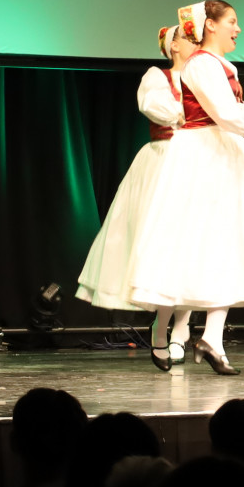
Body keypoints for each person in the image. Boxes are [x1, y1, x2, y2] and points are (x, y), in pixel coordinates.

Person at [126, 0, 244, 375]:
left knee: (228, 243)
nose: (238, 29)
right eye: (232, 21)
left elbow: (238, 109)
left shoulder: (219, 65)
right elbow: (225, 113)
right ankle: (164, 327)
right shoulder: (202, 64)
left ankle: (213, 338)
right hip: (201, 155)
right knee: (191, 244)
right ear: (211, 25)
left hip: (223, 153)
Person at [74, 23, 194, 369]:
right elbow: (157, 108)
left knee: (194, 246)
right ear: (173, 46)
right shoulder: (158, 76)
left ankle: (182, 327)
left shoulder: (206, 76)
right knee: (165, 245)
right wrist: (192, 113)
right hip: (164, 161)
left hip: (198, 162)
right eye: (188, 39)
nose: (195, 44)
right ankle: (161, 326)